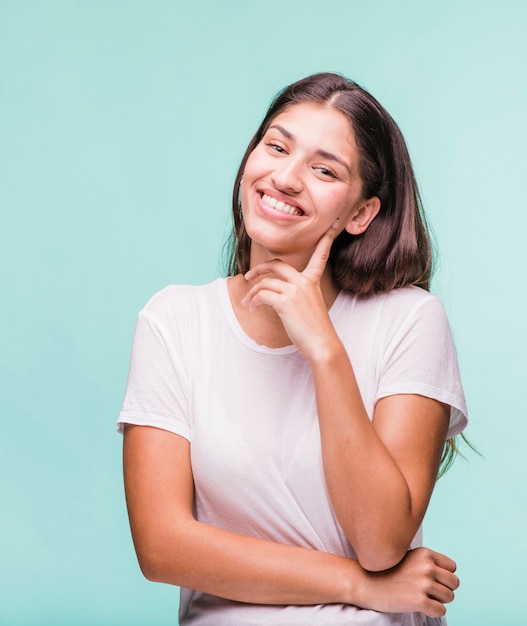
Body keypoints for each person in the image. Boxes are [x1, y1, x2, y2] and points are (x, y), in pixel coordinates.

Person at [117, 72, 468, 625]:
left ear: (360, 214)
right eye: (276, 147)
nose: (285, 177)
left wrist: (325, 352)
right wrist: (360, 585)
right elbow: (162, 547)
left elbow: (381, 543)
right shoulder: (174, 320)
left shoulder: (410, 320)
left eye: (324, 169)